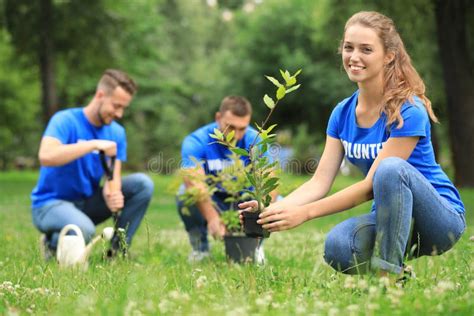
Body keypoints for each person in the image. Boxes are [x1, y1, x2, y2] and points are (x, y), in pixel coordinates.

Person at [240, 11, 466, 277]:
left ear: (389, 56)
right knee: (338, 246)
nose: (354, 57)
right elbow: (319, 181)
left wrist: (306, 213)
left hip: (438, 220)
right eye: (349, 47)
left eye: (366, 49)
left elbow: (368, 187)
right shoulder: (342, 113)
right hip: (388, 221)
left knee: (390, 169)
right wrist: (276, 209)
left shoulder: (408, 110)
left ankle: (387, 277)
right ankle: (399, 272)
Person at [31, 69, 154, 259]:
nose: (119, 113)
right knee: (84, 230)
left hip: (87, 204)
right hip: (50, 204)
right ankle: (53, 242)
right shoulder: (65, 120)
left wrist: (112, 192)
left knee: (142, 184)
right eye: (116, 106)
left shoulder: (116, 133)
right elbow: (46, 156)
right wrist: (92, 145)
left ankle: (116, 253)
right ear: (100, 95)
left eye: (123, 108)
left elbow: (113, 175)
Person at [177, 96, 274, 262]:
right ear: (218, 118)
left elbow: (268, 182)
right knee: (184, 195)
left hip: (246, 200)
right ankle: (200, 249)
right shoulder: (197, 141)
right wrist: (212, 218)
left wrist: (259, 213)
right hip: (212, 198)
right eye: (231, 127)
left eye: (242, 128)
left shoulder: (255, 141)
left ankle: (255, 248)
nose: (236, 135)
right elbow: (193, 181)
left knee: (277, 200)